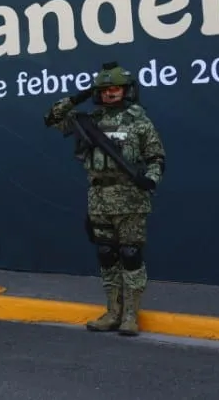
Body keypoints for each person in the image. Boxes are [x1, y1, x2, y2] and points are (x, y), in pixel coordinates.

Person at [45, 61, 165, 336]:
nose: (111, 94)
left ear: (127, 90)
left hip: (130, 198)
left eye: (116, 89)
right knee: (107, 255)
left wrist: (151, 179)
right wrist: (81, 95)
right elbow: (51, 117)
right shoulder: (88, 122)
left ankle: (131, 315)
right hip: (99, 197)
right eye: (106, 89)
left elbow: (156, 158)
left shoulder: (139, 121)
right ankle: (113, 311)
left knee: (130, 254)